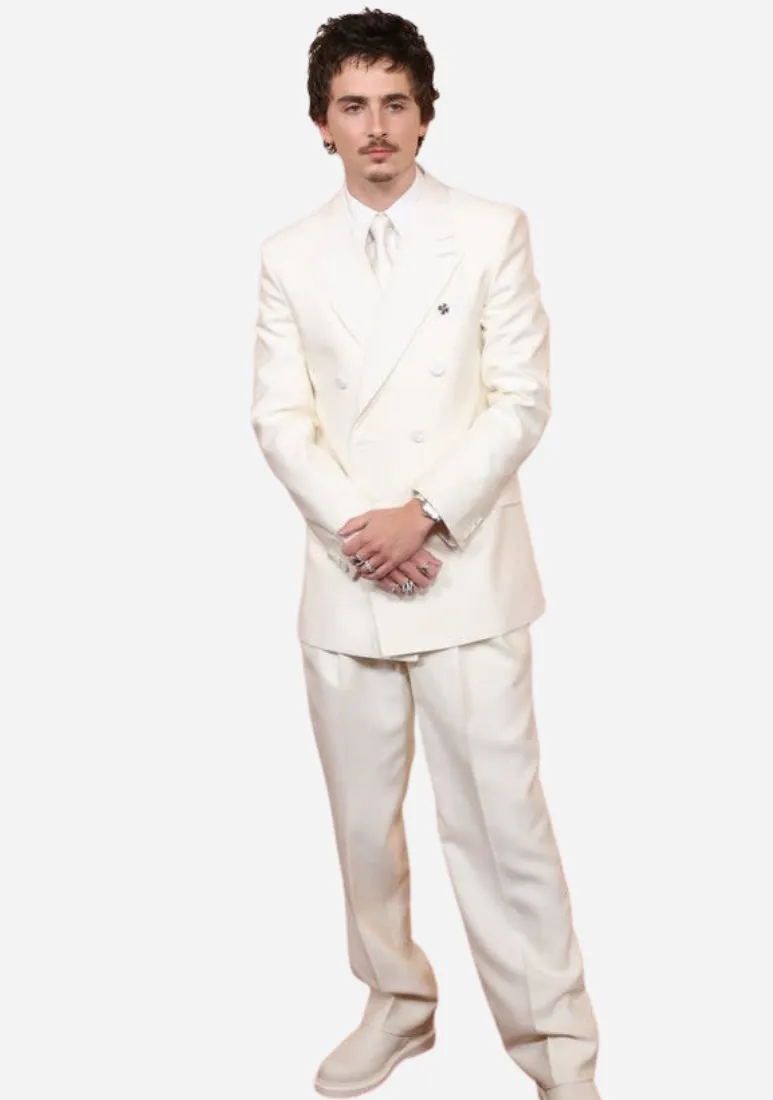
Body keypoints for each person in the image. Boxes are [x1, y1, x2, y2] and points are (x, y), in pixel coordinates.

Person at [250, 9, 602, 1099]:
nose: (376, 127)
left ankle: (558, 1052)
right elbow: (278, 417)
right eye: (353, 105)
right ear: (321, 122)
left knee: (503, 828)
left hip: (467, 573)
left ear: (425, 114)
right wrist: (365, 529)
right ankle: (397, 1002)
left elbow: (521, 398)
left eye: (395, 103)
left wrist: (427, 514)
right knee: (363, 827)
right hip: (348, 577)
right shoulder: (288, 254)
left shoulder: (491, 229)